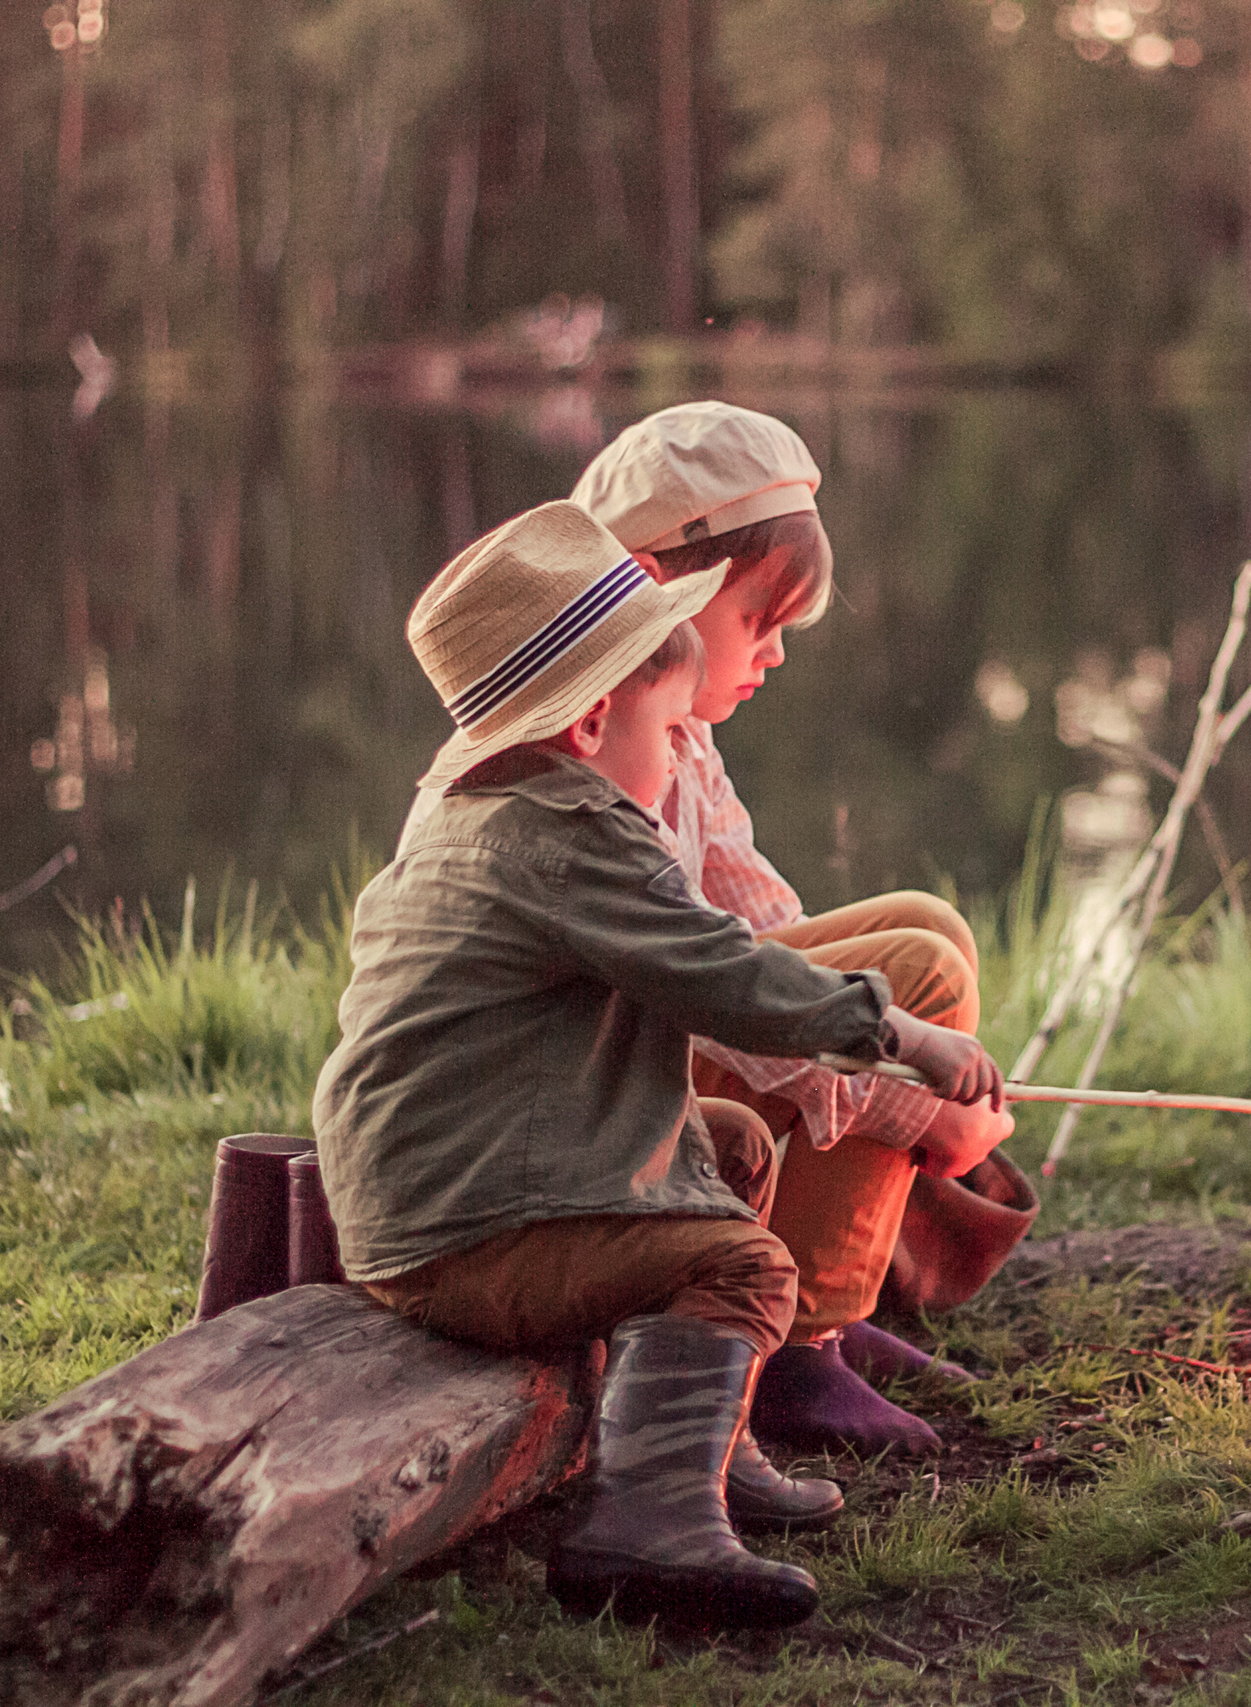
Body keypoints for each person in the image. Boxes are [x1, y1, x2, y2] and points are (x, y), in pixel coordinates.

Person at [314, 499, 1009, 1629]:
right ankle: (642, 1531)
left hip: (434, 1196)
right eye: (668, 726)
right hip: (470, 1233)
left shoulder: (477, 812)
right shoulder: (572, 838)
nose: (680, 749)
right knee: (747, 1269)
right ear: (591, 726)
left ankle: (700, 1451)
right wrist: (902, 1036)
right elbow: (729, 975)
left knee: (723, 1144)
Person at [569, 402, 1038, 1458]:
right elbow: (723, 1013)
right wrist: (916, 1116)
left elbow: (762, 924)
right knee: (906, 975)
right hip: (605, 1097)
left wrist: (913, 1069)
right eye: (760, 623)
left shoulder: (679, 733)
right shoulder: (603, 754)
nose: (775, 656)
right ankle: (795, 1347)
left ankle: (845, 1294)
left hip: (685, 1040)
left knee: (917, 933)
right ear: (658, 590)